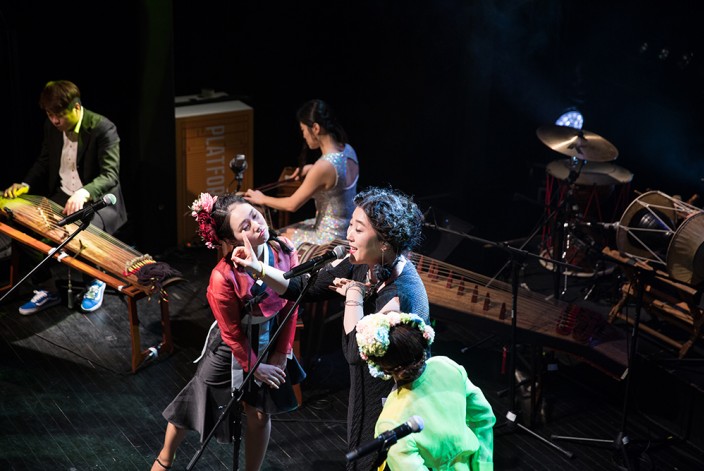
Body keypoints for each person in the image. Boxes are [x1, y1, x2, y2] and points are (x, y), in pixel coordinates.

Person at [232, 185, 430, 471]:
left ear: (384, 242)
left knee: (373, 461)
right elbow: (304, 286)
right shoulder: (363, 262)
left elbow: (356, 352)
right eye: (351, 225)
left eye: (358, 229)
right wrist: (256, 267)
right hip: (365, 390)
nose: (349, 235)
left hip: (392, 401)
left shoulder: (399, 296)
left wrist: (354, 296)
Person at [151, 192, 304, 471]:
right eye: (245, 226)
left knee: (260, 415)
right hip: (231, 345)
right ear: (232, 241)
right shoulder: (223, 276)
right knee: (195, 400)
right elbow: (231, 332)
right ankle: (165, 458)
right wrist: (253, 366)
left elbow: (292, 304)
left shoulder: (284, 250)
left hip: (270, 337)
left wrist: (282, 351)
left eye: (255, 215)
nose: (257, 225)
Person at [3, 80, 127, 314]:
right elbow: (44, 160)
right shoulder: (51, 127)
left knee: (81, 232)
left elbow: (110, 175)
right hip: (63, 195)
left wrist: (84, 192)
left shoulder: (103, 128)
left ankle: (95, 281)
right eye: (50, 115)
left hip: (98, 201)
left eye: (59, 115)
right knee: (22, 231)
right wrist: (25, 184)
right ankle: (47, 289)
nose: (54, 121)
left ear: (77, 108)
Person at [356, 312, 496, 471]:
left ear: (383, 367)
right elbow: (483, 416)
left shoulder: (391, 421)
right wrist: (483, 466)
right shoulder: (446, 365)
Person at [244, 99, 359, 248]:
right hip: (346, 228)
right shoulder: (348, 149)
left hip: (329, 237)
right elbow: (337, 176)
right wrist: (311, 168)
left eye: (304, 130)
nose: (304, 135)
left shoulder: (323, 167)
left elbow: (292, 204)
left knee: (274, 239)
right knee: (287, 232)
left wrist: (262, 198)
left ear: (315, 128)